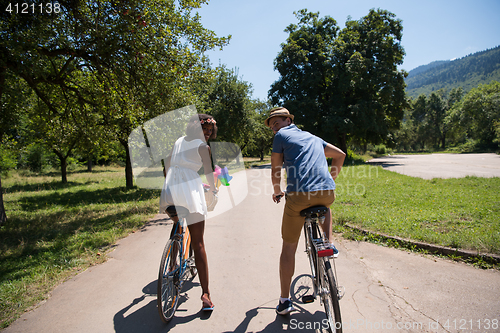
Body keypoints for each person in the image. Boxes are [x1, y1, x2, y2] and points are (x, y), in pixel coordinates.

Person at [265, 107, 346, 315]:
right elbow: (340, 155)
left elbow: (275, 169)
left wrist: (277, 191)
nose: (274, 128)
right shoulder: (313, 137)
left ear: (288, 120)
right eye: (271, 125)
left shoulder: (281, 136)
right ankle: (329, 243)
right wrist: (331, 178)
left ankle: (284, 301)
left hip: (299, 195)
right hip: (327, 191)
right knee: (325, 209)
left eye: (277, 122)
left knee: (288, 246)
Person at [159, 114, 218, 311]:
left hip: (170, 190)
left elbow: (167, 164)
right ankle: (206, 294)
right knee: (198, 242)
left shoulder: (177, 142)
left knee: (177, 225)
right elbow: (209, 173)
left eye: (210, 131)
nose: (208, 133)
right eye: (205, 130)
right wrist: (213, 189)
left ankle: (172, 264)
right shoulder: (203, 147)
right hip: (189, 192)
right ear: (197, 129)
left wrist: (171, 181)